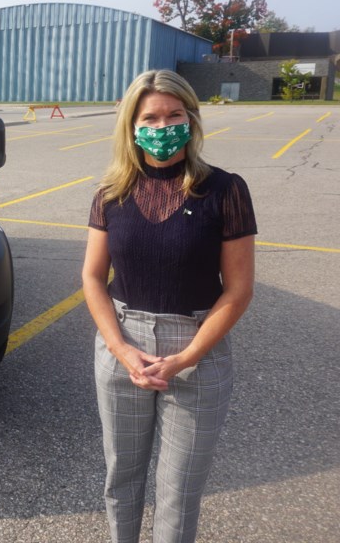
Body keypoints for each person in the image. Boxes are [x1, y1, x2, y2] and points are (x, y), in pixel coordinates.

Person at [81, 69, 256, 543]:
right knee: (122, 479)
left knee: (178, 492)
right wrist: (120, 349)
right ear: (131, 126)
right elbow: (93, 278)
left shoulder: (225, 190)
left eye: (174, 115)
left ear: (192, 118)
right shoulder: (110, 193)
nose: (162, 127)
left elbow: (237, 290)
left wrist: (188, 357)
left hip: (196, 352)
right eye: (150, 118)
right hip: (124, 347)